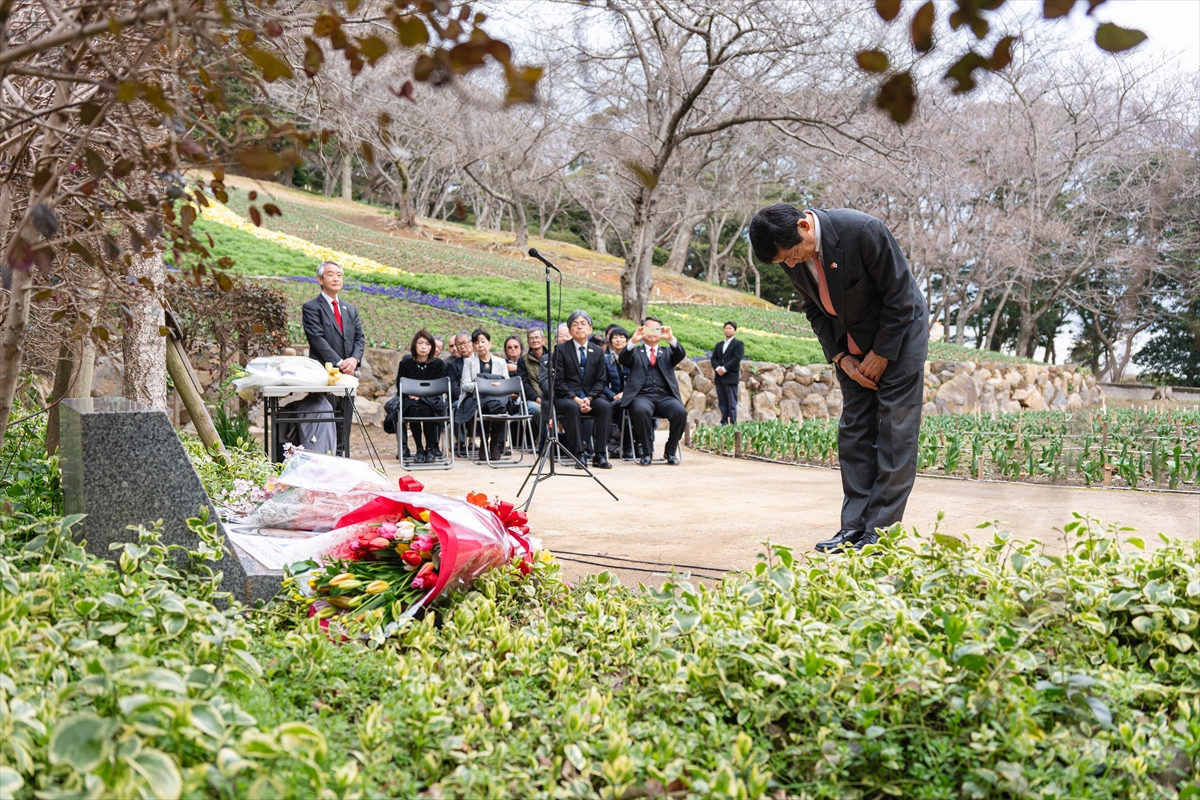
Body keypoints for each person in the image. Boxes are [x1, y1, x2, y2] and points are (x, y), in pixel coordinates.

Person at [749, 203, 928, 553]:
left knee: (894, 432)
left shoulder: (862, 231)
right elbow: (813, 308)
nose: (789, 264)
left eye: (790, 256)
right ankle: (853, 529)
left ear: (803, 226)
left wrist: (881, 354)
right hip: (851, 345)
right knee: (854, 433)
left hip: (899, 337)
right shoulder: (791, 255)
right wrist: (841, 357)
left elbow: (901, 296)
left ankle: (880, 533)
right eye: (782, 262)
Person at [301, 261, 365, 456]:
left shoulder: (349, 309)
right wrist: (340, 362)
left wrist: (353, 360)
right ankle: (324, 458)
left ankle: (342, 456)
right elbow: (317, 339)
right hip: (324, 373)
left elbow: (360, 338)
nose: (336, 278)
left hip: (348, 374)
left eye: (339, 275)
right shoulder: (312, 307)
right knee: (325, 418)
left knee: (345, 420)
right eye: (331, 274)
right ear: (320, 279)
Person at [619, 316, 687, 466]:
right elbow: (623, 359)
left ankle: (670, 451)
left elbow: (680, 354)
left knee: (680, 412)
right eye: (648, 328)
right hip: (642, 396)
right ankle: (646, 451)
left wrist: (670, 338)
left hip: (665, 396)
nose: (652, 332)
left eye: (656, 329)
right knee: (641, 410)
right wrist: (633, 341)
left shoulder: (667, 352)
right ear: (642, 330)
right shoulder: (635, 351)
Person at [550, 310, 612, 469]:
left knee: (605, 406)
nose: (579, 327)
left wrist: (589, 398)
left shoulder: (597, 351)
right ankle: (579, 453)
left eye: (583, 324)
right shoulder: (561, 350)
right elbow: (558, 381)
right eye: (575, 324)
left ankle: (600, 455)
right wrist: (575, 399)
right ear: (570, 330)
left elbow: (601, 380)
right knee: (571, 407)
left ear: (590, 329)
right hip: (567, 398)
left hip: (590, 397)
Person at [396, 329, 446, 463]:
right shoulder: (405, 363)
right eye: (420, 343)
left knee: (430, 409)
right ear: (414, 345)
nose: (424, 347)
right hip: (411, 400)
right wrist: (412, 394)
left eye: (428, 344)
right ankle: (419, 448)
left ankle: (430, 448)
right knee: (414, 409)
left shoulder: (438, 364)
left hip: (432, 400)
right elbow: (400, 385)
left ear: (432, 347)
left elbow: (439, 388)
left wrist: (422, 396)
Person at [460, 328, 510, 462]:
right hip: (477, 397)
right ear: (473, 346)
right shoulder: (469, 362)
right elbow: (465, 385)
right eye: (476, 342)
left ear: (490, 343)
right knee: (485, 407)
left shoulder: (500, 362)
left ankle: (494, 444)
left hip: (497, 397)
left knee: (501, 409)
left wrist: (496, 386)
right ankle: (483, 443)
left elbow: (506, 382)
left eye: (483, 341)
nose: (480, 345)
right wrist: (483, 385)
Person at [605, 326, 632, 459]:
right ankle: (612, 445)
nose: (618, 340)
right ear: (610, 341)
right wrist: (612, 394)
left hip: (630, 395)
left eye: (622, 337)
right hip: (612, 396)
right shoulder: (606, 360)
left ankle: (629, 444)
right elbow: (601, 382)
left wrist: (624, 393)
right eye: (615, 337)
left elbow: (637, 380)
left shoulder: (634, 358)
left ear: (627, 341)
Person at [444, 332, 471, 456]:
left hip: (481, 398)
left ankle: (497, 444)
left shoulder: (480, 361)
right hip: (462, 399)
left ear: (472, 343)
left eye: (465, 343)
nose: (462, 346)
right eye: (459, 344)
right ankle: (461, 442)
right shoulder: (451, 365)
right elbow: (454, 391)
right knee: (456, 406)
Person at [712, 321, 744, 425]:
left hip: (730, 377)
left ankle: (732, 424)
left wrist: (724, 369)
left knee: (732, 403)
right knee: (722, 402)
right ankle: (724, 423)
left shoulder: (738, 344)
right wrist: (717, 368)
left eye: (730, 328)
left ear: (735, 331)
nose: (728, 330)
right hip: (719, 378)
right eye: (726, 328)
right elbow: (713, 358)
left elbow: (736, 359)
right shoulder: (719, 345)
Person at [518, 329, 546, 445]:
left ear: (543, 340)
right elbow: (524, 385)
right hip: (532, 400)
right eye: (531, 338)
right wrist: (537, 398)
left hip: (552, 397)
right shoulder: (523, 360)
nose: (534, 340)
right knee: (539, 409)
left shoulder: (553, 357)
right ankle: (546, 441)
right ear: (528, 342)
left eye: (537, 337)